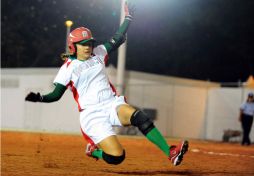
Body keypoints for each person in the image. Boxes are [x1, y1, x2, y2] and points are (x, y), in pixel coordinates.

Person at [25, 2, 188, 166]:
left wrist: (128, 18)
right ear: (73, 47)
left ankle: (171, 152)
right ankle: (93, 151)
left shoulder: (99, 52)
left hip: (111, 104)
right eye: (83, 44)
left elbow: (117, 37)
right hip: (91, 114)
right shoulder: (67, 69)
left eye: (89, 43)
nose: (88, 47)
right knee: (117, 157)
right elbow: (56, 95)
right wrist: (39, 98)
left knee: (140, 117)